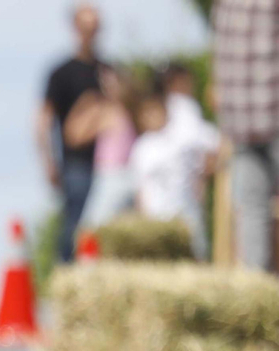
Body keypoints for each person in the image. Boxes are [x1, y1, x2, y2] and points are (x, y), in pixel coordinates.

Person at [215, 0, 279, 271]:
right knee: (253, 209)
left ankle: (257, 289)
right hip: (265, 115)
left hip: (241, 120)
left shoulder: (226, 5)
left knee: (252, 209)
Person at [36, 3, 103, 262]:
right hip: (75, 162)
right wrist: (48, 160)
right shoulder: (61, 73)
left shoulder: (109, 71)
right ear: (75, 28)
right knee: (73, 224)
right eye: (86, 27)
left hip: (108, 164)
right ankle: (65, 275)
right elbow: (43, 119)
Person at [130, 80, 214, 261]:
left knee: (195, 255)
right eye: (147, 113)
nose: (152, 117)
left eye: (156, 110)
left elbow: (210, 145)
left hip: (187, 215)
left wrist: (202, 182)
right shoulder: (141, 148)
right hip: (157, 218)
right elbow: (140, 187)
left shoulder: (181, 137)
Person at [71, 65, 137, 230]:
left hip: (125, 175)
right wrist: (85, 105)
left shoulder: (127, 111)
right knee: (94, 226)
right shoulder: (104, 111)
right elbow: (74, 135)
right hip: (110, 175)